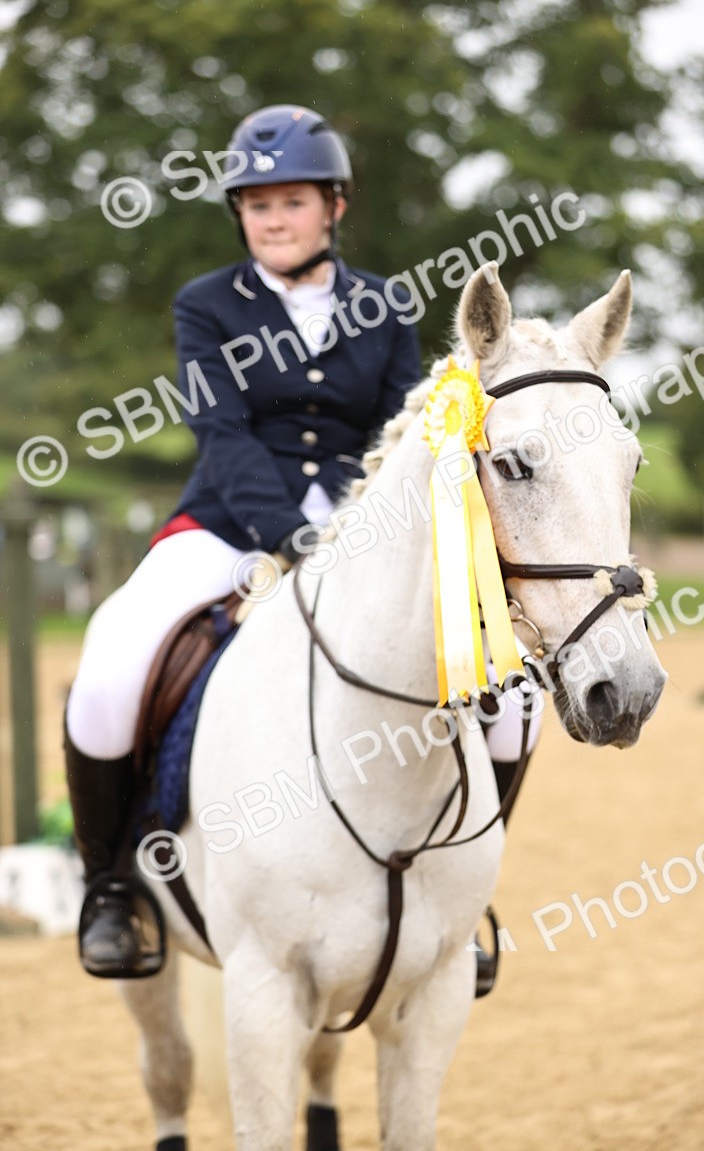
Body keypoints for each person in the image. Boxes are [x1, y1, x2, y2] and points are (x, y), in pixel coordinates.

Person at [64, 103, 539, 982]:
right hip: (229, 523)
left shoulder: (386, 307)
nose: (273, 218)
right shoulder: (205, 305)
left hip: (373, 532)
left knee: (510, 694)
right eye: (256, 204)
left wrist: (369, 534)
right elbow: (223, 431)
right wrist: (291, 534)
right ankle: (109, 886)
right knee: (110, 663)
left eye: (291, 201)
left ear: (334, 207)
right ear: (239, 214)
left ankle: (464, 889)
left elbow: (408, 431)